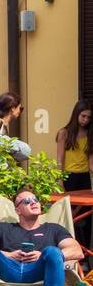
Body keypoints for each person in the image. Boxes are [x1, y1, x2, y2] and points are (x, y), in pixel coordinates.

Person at [0, 187, 82, 286]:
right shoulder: (3, 228)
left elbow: (77, 251)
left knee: (52, 251)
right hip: (9, 271)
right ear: (18, 210)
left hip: (39, 272)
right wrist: (9, 255)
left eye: (35, 200)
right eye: (27, 201)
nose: (33, 202)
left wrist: (42, 256)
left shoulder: (54, 229)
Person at [56, 100, 92, 247]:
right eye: (83, 116)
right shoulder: (64, 133)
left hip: (84, 178)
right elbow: (59, 160)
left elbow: (90, 163)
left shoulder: (90, 134)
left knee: (87, 218)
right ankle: (73, 250)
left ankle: (85, 254)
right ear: (76, 114)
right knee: (72, 218)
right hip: (69, 178)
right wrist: (59, 181)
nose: (86, 120)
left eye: (89, 118)